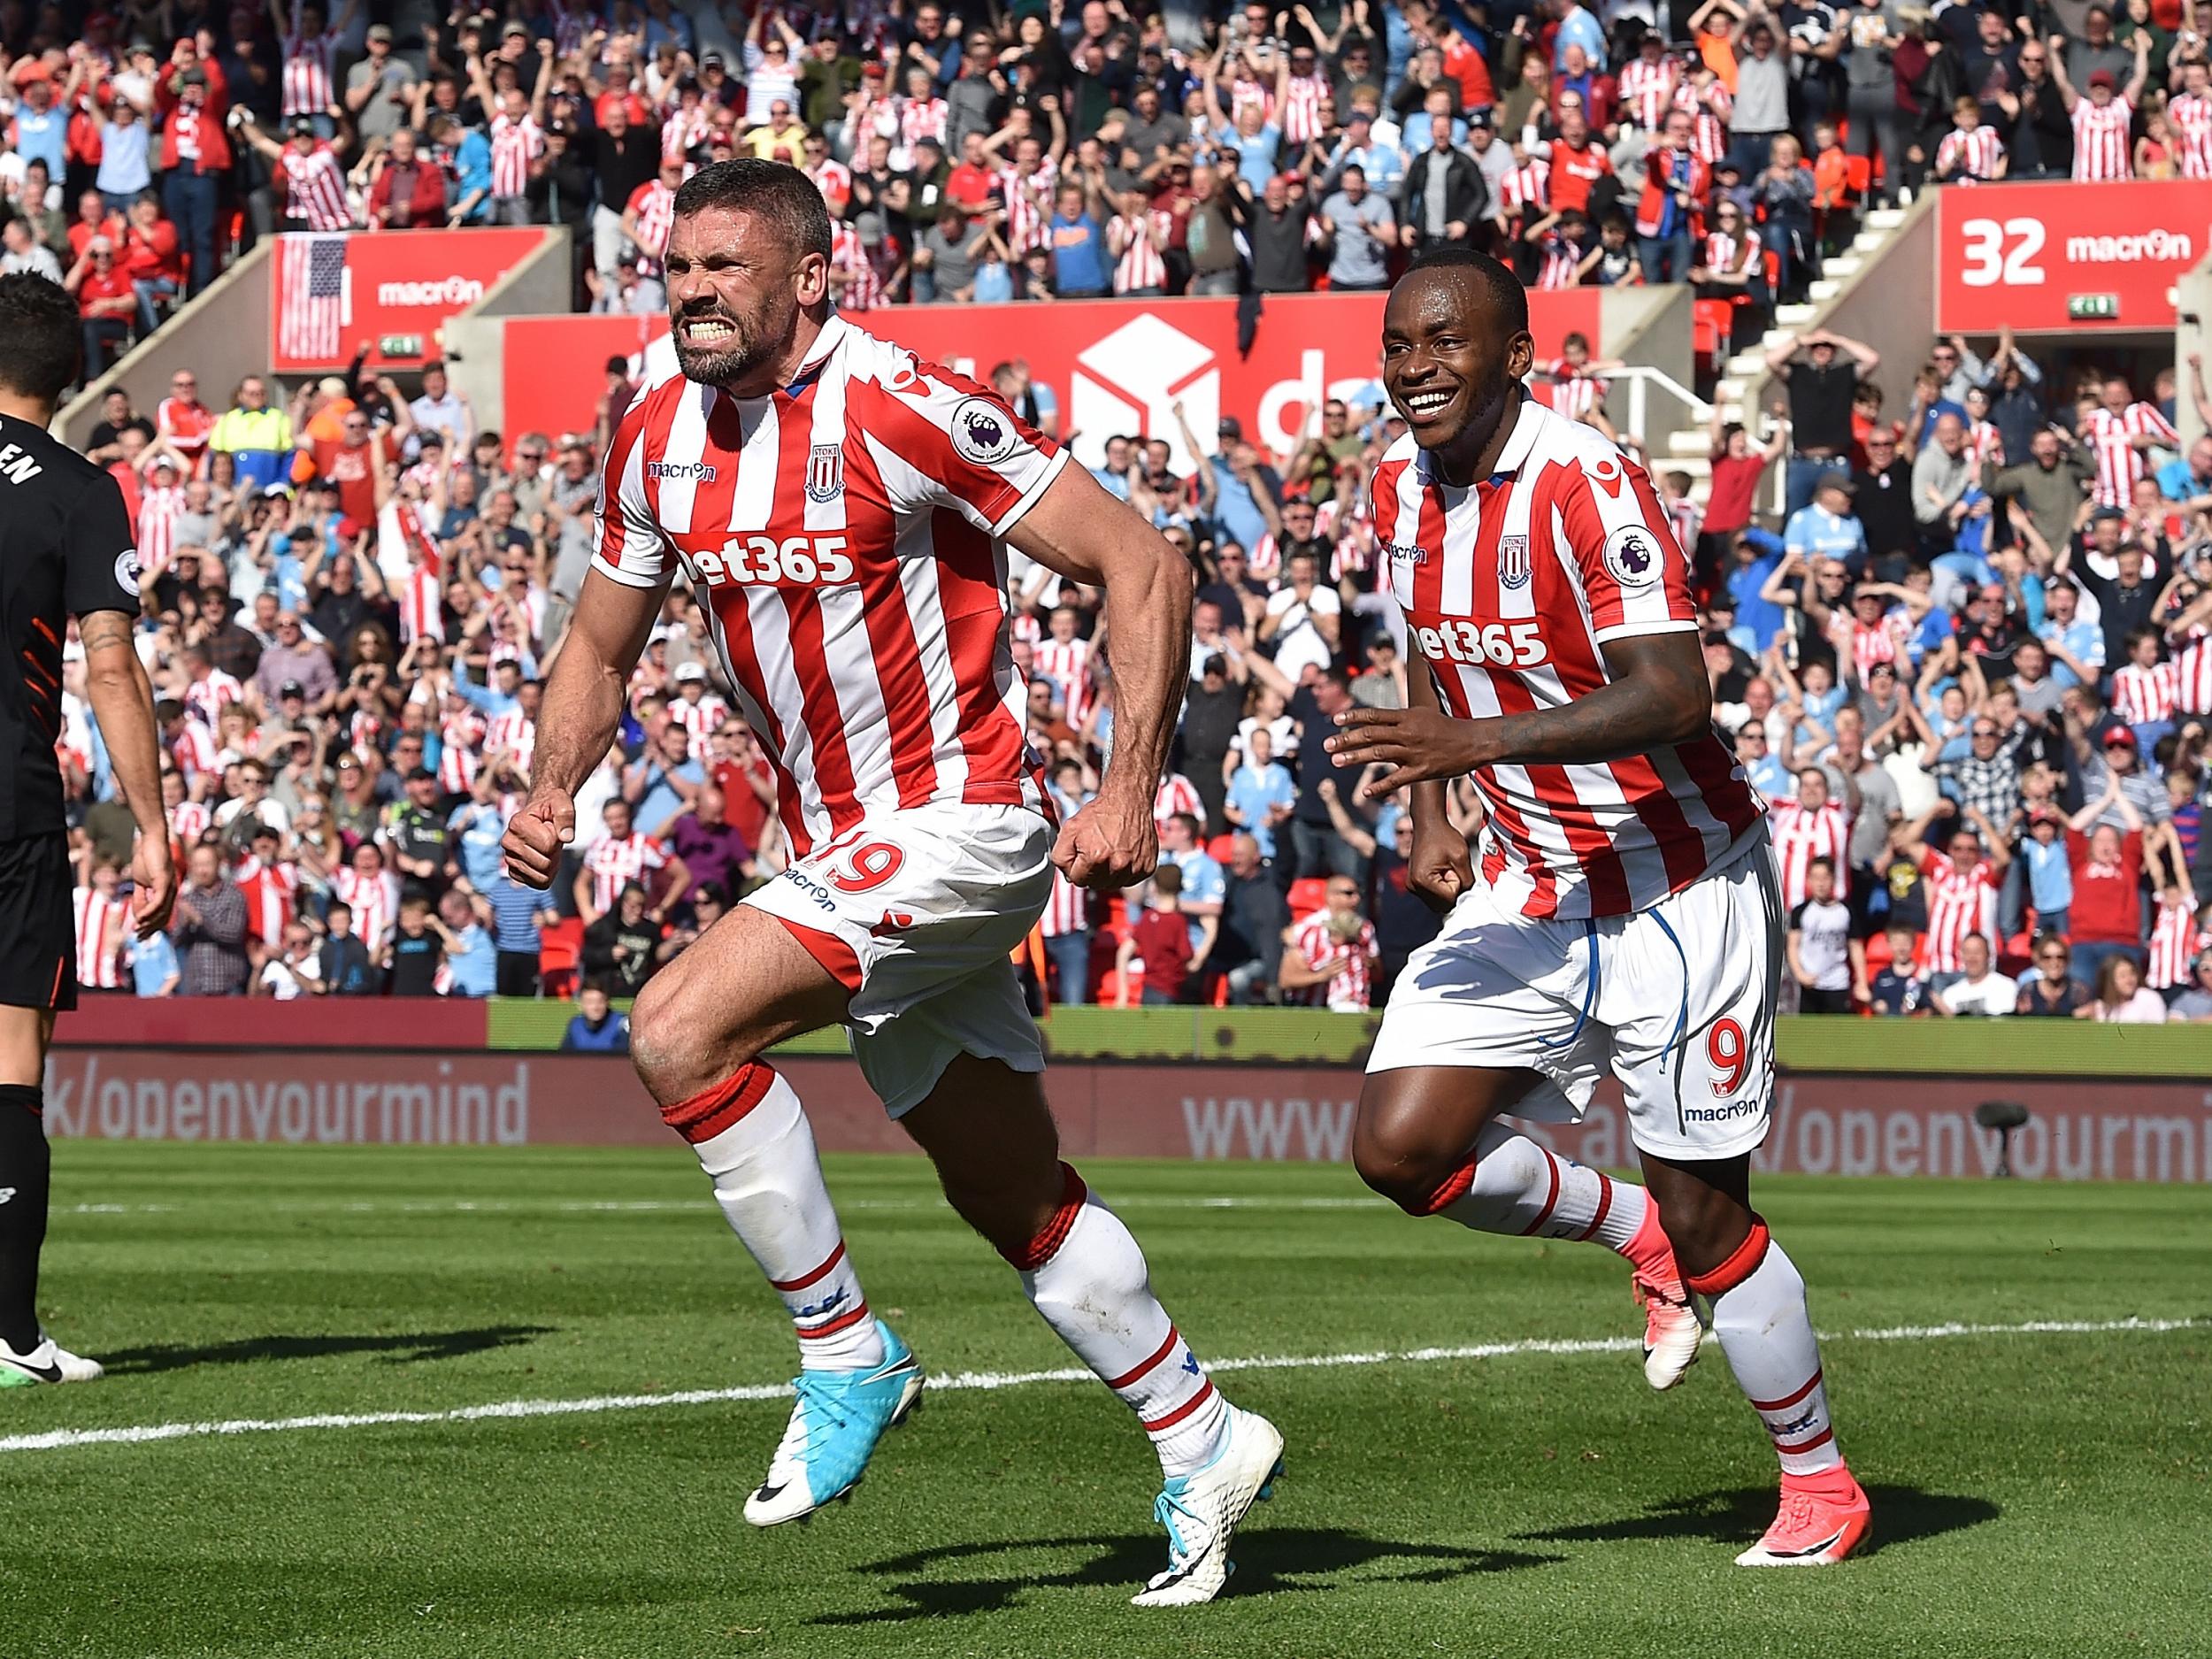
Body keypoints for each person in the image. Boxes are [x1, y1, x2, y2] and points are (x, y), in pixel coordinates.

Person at [501, 160, 1279, 1602]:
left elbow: (1141, 559)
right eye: (678, 268)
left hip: (959, 825)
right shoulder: (655, 435)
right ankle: (1203, 1434)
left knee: (676, 1030)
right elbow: (600, 651)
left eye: (725, 268)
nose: (691, 292)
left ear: (810, 278)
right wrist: (554, 783)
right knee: (1015, 1197)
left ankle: (843, 1346)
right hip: (840, 853)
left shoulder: (901, 401)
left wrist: (1126, 785)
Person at [1324, 250, 1870, 1566]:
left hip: (1677, 883)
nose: (1415, 366)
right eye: (1398, 342)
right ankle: (1628, 1232)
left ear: (1517, 354)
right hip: (1532, 879)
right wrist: (1434, 800)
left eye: (1445, 342)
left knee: (1713, 1216)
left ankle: (1821, 1481)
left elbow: (1675, 693)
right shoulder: (1399, 481)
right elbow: (1429, 648)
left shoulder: (1586, 479)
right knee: (1400, 1149)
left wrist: (1477, 745)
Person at [0, 274, 175, 1383]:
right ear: (71, 380)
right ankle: (12, 1336)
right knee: (13, 1059)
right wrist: (151, 825)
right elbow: (108, 663)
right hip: (8, 799)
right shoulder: (80, 490)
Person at [561, 980, 633, 1052]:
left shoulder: (621, 1024)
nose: (595, 1007)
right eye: (590, 1002)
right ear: (580, 1005)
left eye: (600, 1001)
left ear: (607, 1002)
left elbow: (621, 1058)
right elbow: (564, 1057)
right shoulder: (575, 1025)